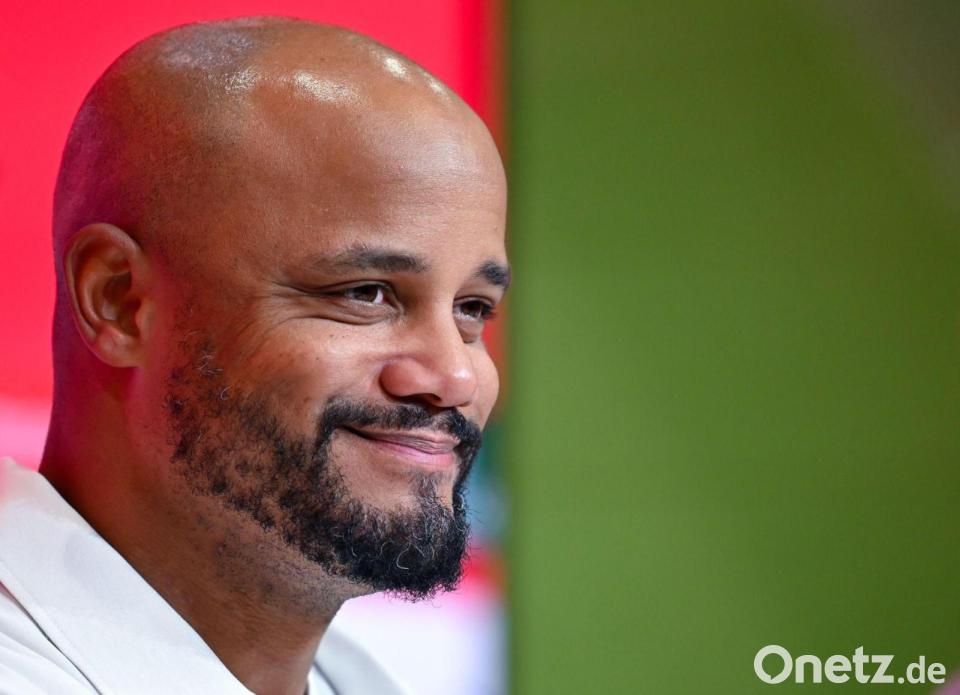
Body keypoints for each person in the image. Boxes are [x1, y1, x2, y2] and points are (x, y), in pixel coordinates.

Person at [0, 15, 509, 695]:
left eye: (473, 309)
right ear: (119, 300)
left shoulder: (358, 677)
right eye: (365, 294)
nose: (453, 376)